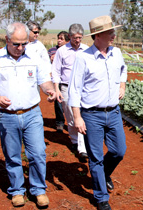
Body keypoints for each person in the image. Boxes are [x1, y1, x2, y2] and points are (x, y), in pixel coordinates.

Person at [0, 22, 56, 207]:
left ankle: (38, 189)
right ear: (7, 40)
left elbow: (44, 81)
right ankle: (17, 190)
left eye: (24, 43)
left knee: (38, 153)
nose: (20, 48)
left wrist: (50, 90)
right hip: (7, 116)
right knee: (13, 155)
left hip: (32, 114)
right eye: (16, 44)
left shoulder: (33, 58)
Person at [68, 15, 127, 210]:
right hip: (91, 115)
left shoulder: (116, 53)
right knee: (95, 157)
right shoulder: (83, 58)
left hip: (114, 112)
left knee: (119, 150)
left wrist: (123, 85)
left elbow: (123, 69)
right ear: (98, 35)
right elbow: (74, 89)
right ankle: (101, 197)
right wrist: (77, 117)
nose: (114, 35)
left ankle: (104, 174)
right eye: (111, 32)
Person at [51, 24, 88, 158]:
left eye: (80, 37)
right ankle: (74, 140)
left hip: (83, 88)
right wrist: (57, 89)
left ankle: (82, 147)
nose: (78, 40)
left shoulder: (86, 50)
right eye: (75, 38)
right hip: (66, 87)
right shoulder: (62, 51)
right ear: (69, 36)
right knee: (71, 116)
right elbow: (55, 71)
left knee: (81, 115)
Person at [48, 31, 70, 132]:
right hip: (57, 80)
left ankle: (71, 123)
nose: (59, 41)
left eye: (61, 39)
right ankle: (60, 123)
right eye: (58, 38)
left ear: (67, 40)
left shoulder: (70, 50)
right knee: (59, 102)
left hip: (68, 80)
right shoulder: (52, 50)